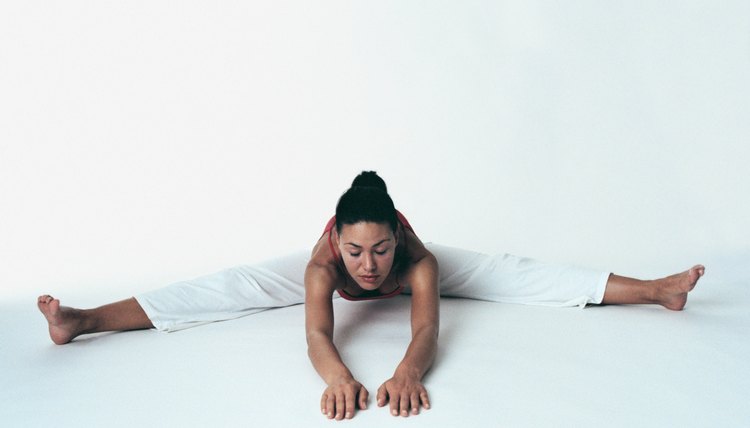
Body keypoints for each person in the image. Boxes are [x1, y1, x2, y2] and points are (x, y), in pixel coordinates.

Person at [37, 171, 705, 420]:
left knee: (510, 270)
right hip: (304, 272)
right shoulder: (324, 267)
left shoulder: (416, 259)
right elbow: (317, 335)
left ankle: (655, 291)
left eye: (378, 250)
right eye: (355, 251)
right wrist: (338, 379)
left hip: (429, 264)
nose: (367, 264)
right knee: (228, 286)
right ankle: (84, 319)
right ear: (338, 243)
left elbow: (425, 329)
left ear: (397, 239)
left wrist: (408, 371)